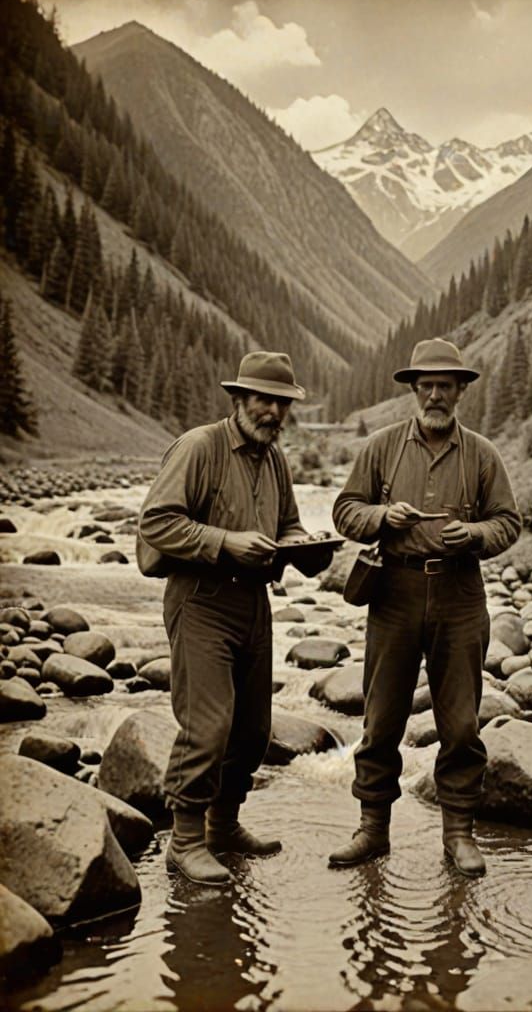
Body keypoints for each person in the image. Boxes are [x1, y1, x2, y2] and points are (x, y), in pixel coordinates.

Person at [138, 351, 332, 886]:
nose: (272, 412)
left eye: (281, 403)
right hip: (199, 599)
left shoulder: (275, 460)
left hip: (253, 604)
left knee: (251, 730)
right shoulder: (199, 447)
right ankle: (184, 842)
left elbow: (289, 523)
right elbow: (156, 522)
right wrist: (226, 542)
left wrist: (305, 545)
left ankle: (223, 825)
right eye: (263, 400)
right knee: (208, 726)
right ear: (238, 400)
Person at [330, 338, 521, 877]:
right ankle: (372, 829)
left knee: (461, 723)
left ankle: (458, 834)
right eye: (427, 386)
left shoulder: (483, 454)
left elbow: (509, 523)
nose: (436, 395)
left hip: (460, 596)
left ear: (460, 391)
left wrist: (475, 535)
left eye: (445, 386)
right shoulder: (382, 447)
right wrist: (382, 518)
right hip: (393, 594)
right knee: (382, 716)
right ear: (414, 390)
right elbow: (345, 511)